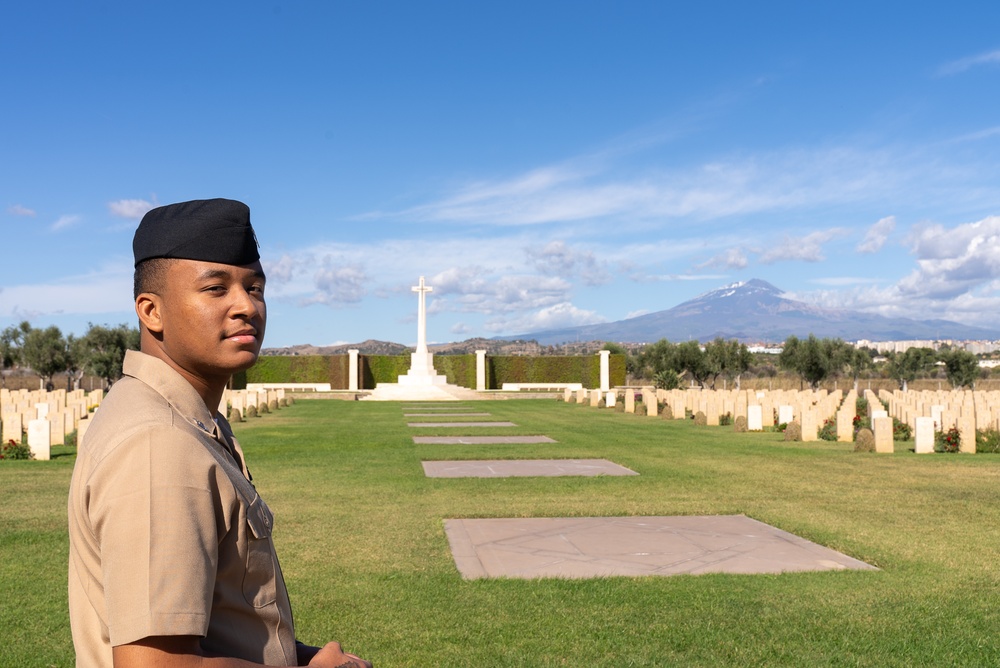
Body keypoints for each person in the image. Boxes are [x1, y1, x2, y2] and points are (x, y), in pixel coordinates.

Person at [67, 199, 371, 668]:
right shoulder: (158, 444)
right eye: (215, 288)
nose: (246, 306)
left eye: (255, 287)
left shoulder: (185, 420)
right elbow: (156, 665)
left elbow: (220, 624)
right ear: (151, 311)